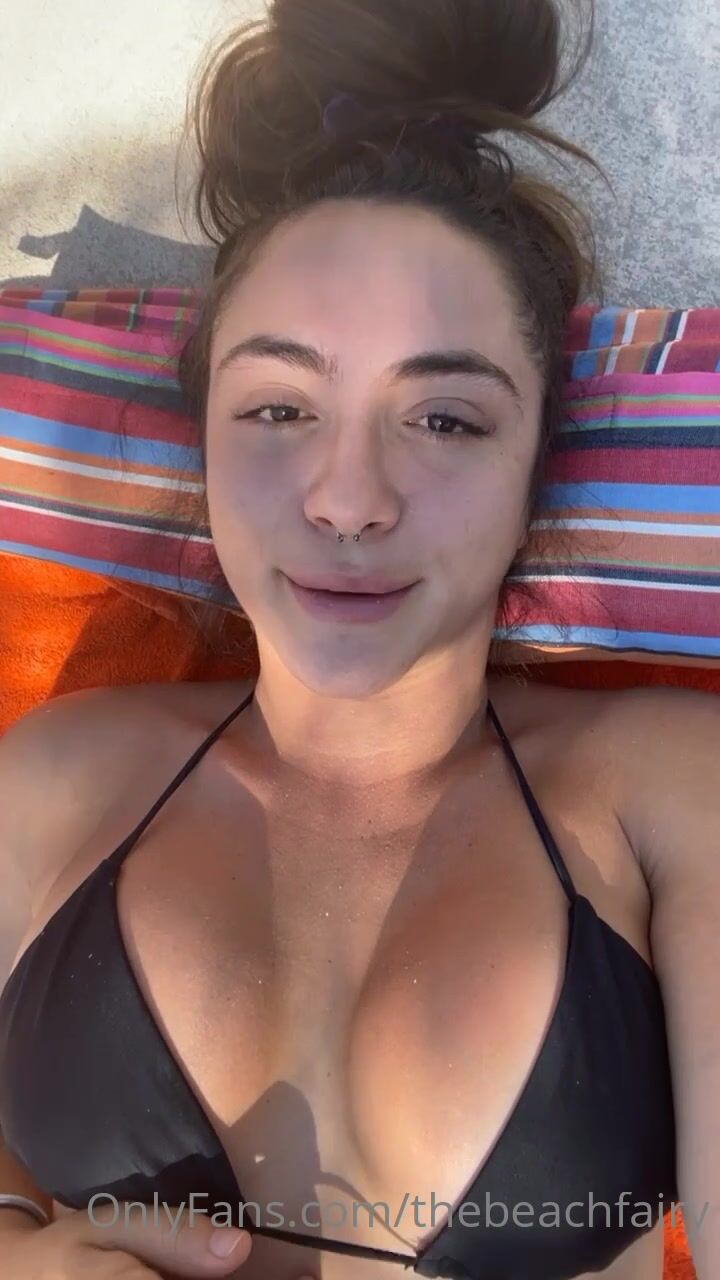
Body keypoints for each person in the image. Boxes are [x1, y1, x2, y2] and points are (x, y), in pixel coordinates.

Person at [0, 1, 718, 1278]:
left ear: (536, 473)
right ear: (202, 444)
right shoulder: (51, 779)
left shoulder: (671, 791)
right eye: (280, 407)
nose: (348, 499)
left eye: (445, 419)